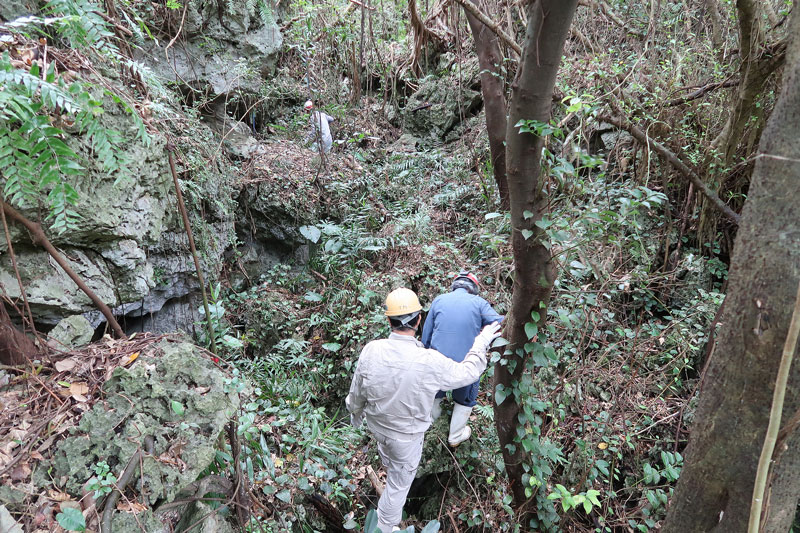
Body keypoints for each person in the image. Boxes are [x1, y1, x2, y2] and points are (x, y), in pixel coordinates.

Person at [346, 287, 501, 533]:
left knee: (390, 460)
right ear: (419, 320)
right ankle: (386, 526)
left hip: (378, 429)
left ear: (388, 320)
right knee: (398, 484)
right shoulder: (429, 362)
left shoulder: (371, 350)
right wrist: (482, 341)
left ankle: (387, 481)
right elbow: (468, 373)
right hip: (406, 439)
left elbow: (357, 393)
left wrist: (355, 413)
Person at [421, 271, 504, 446]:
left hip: (437, 364)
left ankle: (432, 426)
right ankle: (455, 435)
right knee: (468, 391)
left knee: (435, 391)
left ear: (455, 286)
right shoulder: (479, 303)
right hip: (465, 366)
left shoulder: (439, 300)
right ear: (473, 289)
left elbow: (426, 337)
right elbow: (499, 323)